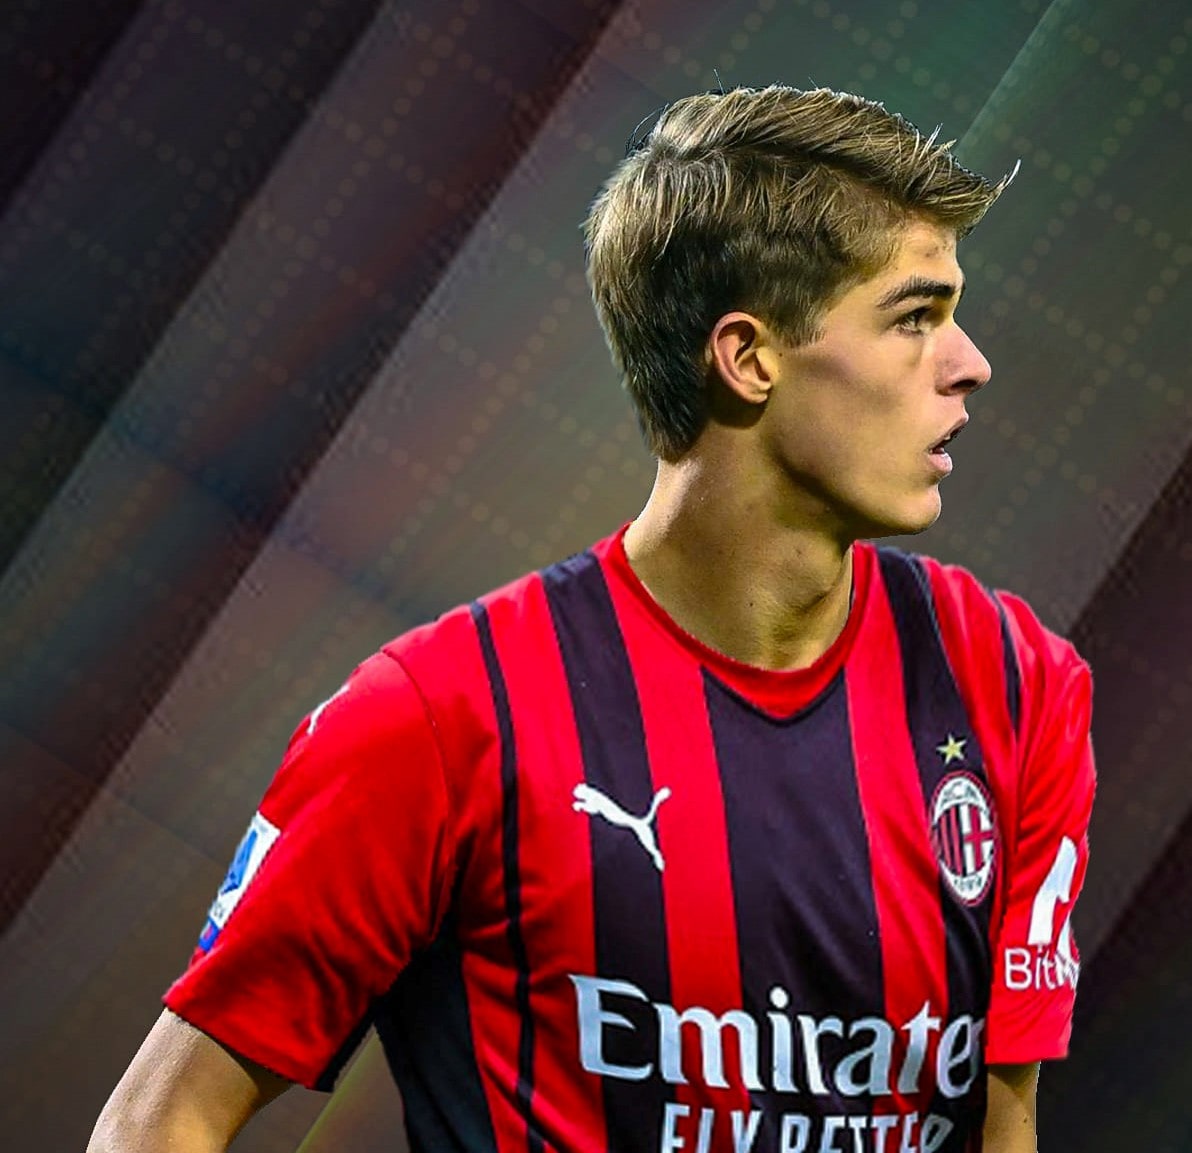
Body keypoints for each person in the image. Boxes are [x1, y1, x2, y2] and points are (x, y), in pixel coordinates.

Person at [89, 84, 1095, 1153]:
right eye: (914, 317)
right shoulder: (441, 717)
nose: (969, 362)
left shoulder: (1014, 681)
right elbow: (159, 1119)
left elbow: (1004, 1127)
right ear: (748, 357)